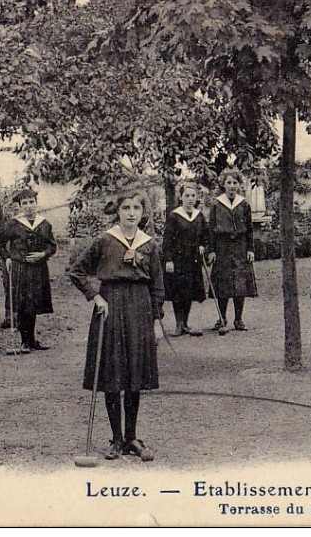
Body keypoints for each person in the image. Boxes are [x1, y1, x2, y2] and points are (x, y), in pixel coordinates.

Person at [69, 190, 163, 461]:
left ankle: (132, 438)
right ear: (118, 211)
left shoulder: (150, 245)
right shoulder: (105, 240)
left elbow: (157, 286)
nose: (131, 213)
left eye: (136, 208)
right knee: (113, 374)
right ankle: (117, 439)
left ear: (143, 212)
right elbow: (76, 271)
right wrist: (95, 296)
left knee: (134, 375)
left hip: (140, 308)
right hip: (110, 307)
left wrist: (156, 321)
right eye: (126, 208)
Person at [0, 187, 57, 352]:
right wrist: (7, 257)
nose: (29, 206)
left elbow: (52, 247)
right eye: (25, 203)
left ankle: (32, 340)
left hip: (38, 268)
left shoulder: (44, 224)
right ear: (20, 206)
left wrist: (42, 254)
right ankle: (24, 341)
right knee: (23, 304)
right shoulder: (13, 224)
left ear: (36, 204)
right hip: (20, 268)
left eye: (31, 202)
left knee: (34, 303)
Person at [206, 169, 258, 334]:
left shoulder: (244, 205)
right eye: (228, 183)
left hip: (240, 247)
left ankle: (238, 319)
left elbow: (249, 229)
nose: (232, 186)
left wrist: (250, 249)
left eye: (235, 183)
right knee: (223, 284)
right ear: (223, 184)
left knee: (239, 283)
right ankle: (222, 319)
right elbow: (211, 229)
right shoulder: (216, 204)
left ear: (239, 185)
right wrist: (211, 250)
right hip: (222, 247)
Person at [162, 181, 207, 337]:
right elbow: (167, 240)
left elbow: (205, 235)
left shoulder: (199, 215)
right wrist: (168, 260)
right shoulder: (174, 216)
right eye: (187, 195)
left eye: (193, 196)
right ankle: (178, 324)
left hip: (193, 259)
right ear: (181, 197)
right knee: (178, 291)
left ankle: (186, 323)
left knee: (189, 291)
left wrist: (202, 245)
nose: (190, 198)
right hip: (178, 259)